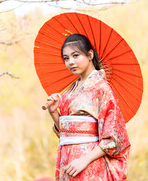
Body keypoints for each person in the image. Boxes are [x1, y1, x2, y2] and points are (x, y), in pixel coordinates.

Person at [47, 34, 130, 181]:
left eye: (76, 55)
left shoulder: (102, 88)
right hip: (67, 160)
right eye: (66, 58)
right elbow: (66, 132)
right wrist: (54, 113)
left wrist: (84, 160)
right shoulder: (69, 92)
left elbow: (114, 139)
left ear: (90, 54)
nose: (70, 62)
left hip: (89, 162)